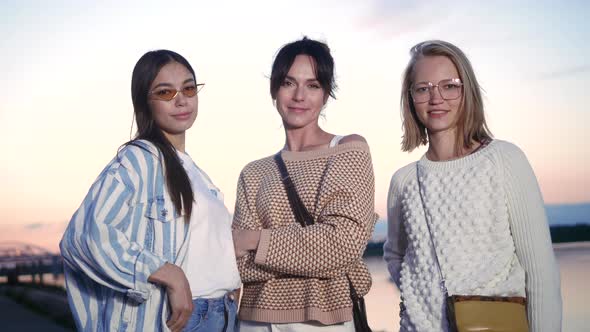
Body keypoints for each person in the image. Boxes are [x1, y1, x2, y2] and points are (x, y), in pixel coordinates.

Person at [383, 40, 562, 331]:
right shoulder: (403, 180)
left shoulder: (504, 160)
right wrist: (420, 293)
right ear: (411, 98)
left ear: (467, 91)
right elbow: (395, 255)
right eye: (423, 88)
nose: (436, 98)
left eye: (449, 86)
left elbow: (540, 273)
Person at [60, 50, 241, 332]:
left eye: (189, 88)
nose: (181, 99)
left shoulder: (195, 173)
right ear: (145, 102)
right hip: (184, 319)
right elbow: (86, 235)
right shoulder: (139, 160)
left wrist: (231, 283)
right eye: (165, 92)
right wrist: (170, 274)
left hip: (223, 316)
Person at [231, 37, 378, 331]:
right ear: (274, 89)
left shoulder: (347, 149)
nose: (299, 95)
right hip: (253, 322)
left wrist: (254, 240)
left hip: (323, 322)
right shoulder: (253, 173)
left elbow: (342, 245)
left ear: (326, 95)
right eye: (289, 83)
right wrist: (310, 253)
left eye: (312, 85)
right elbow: (238, 266)